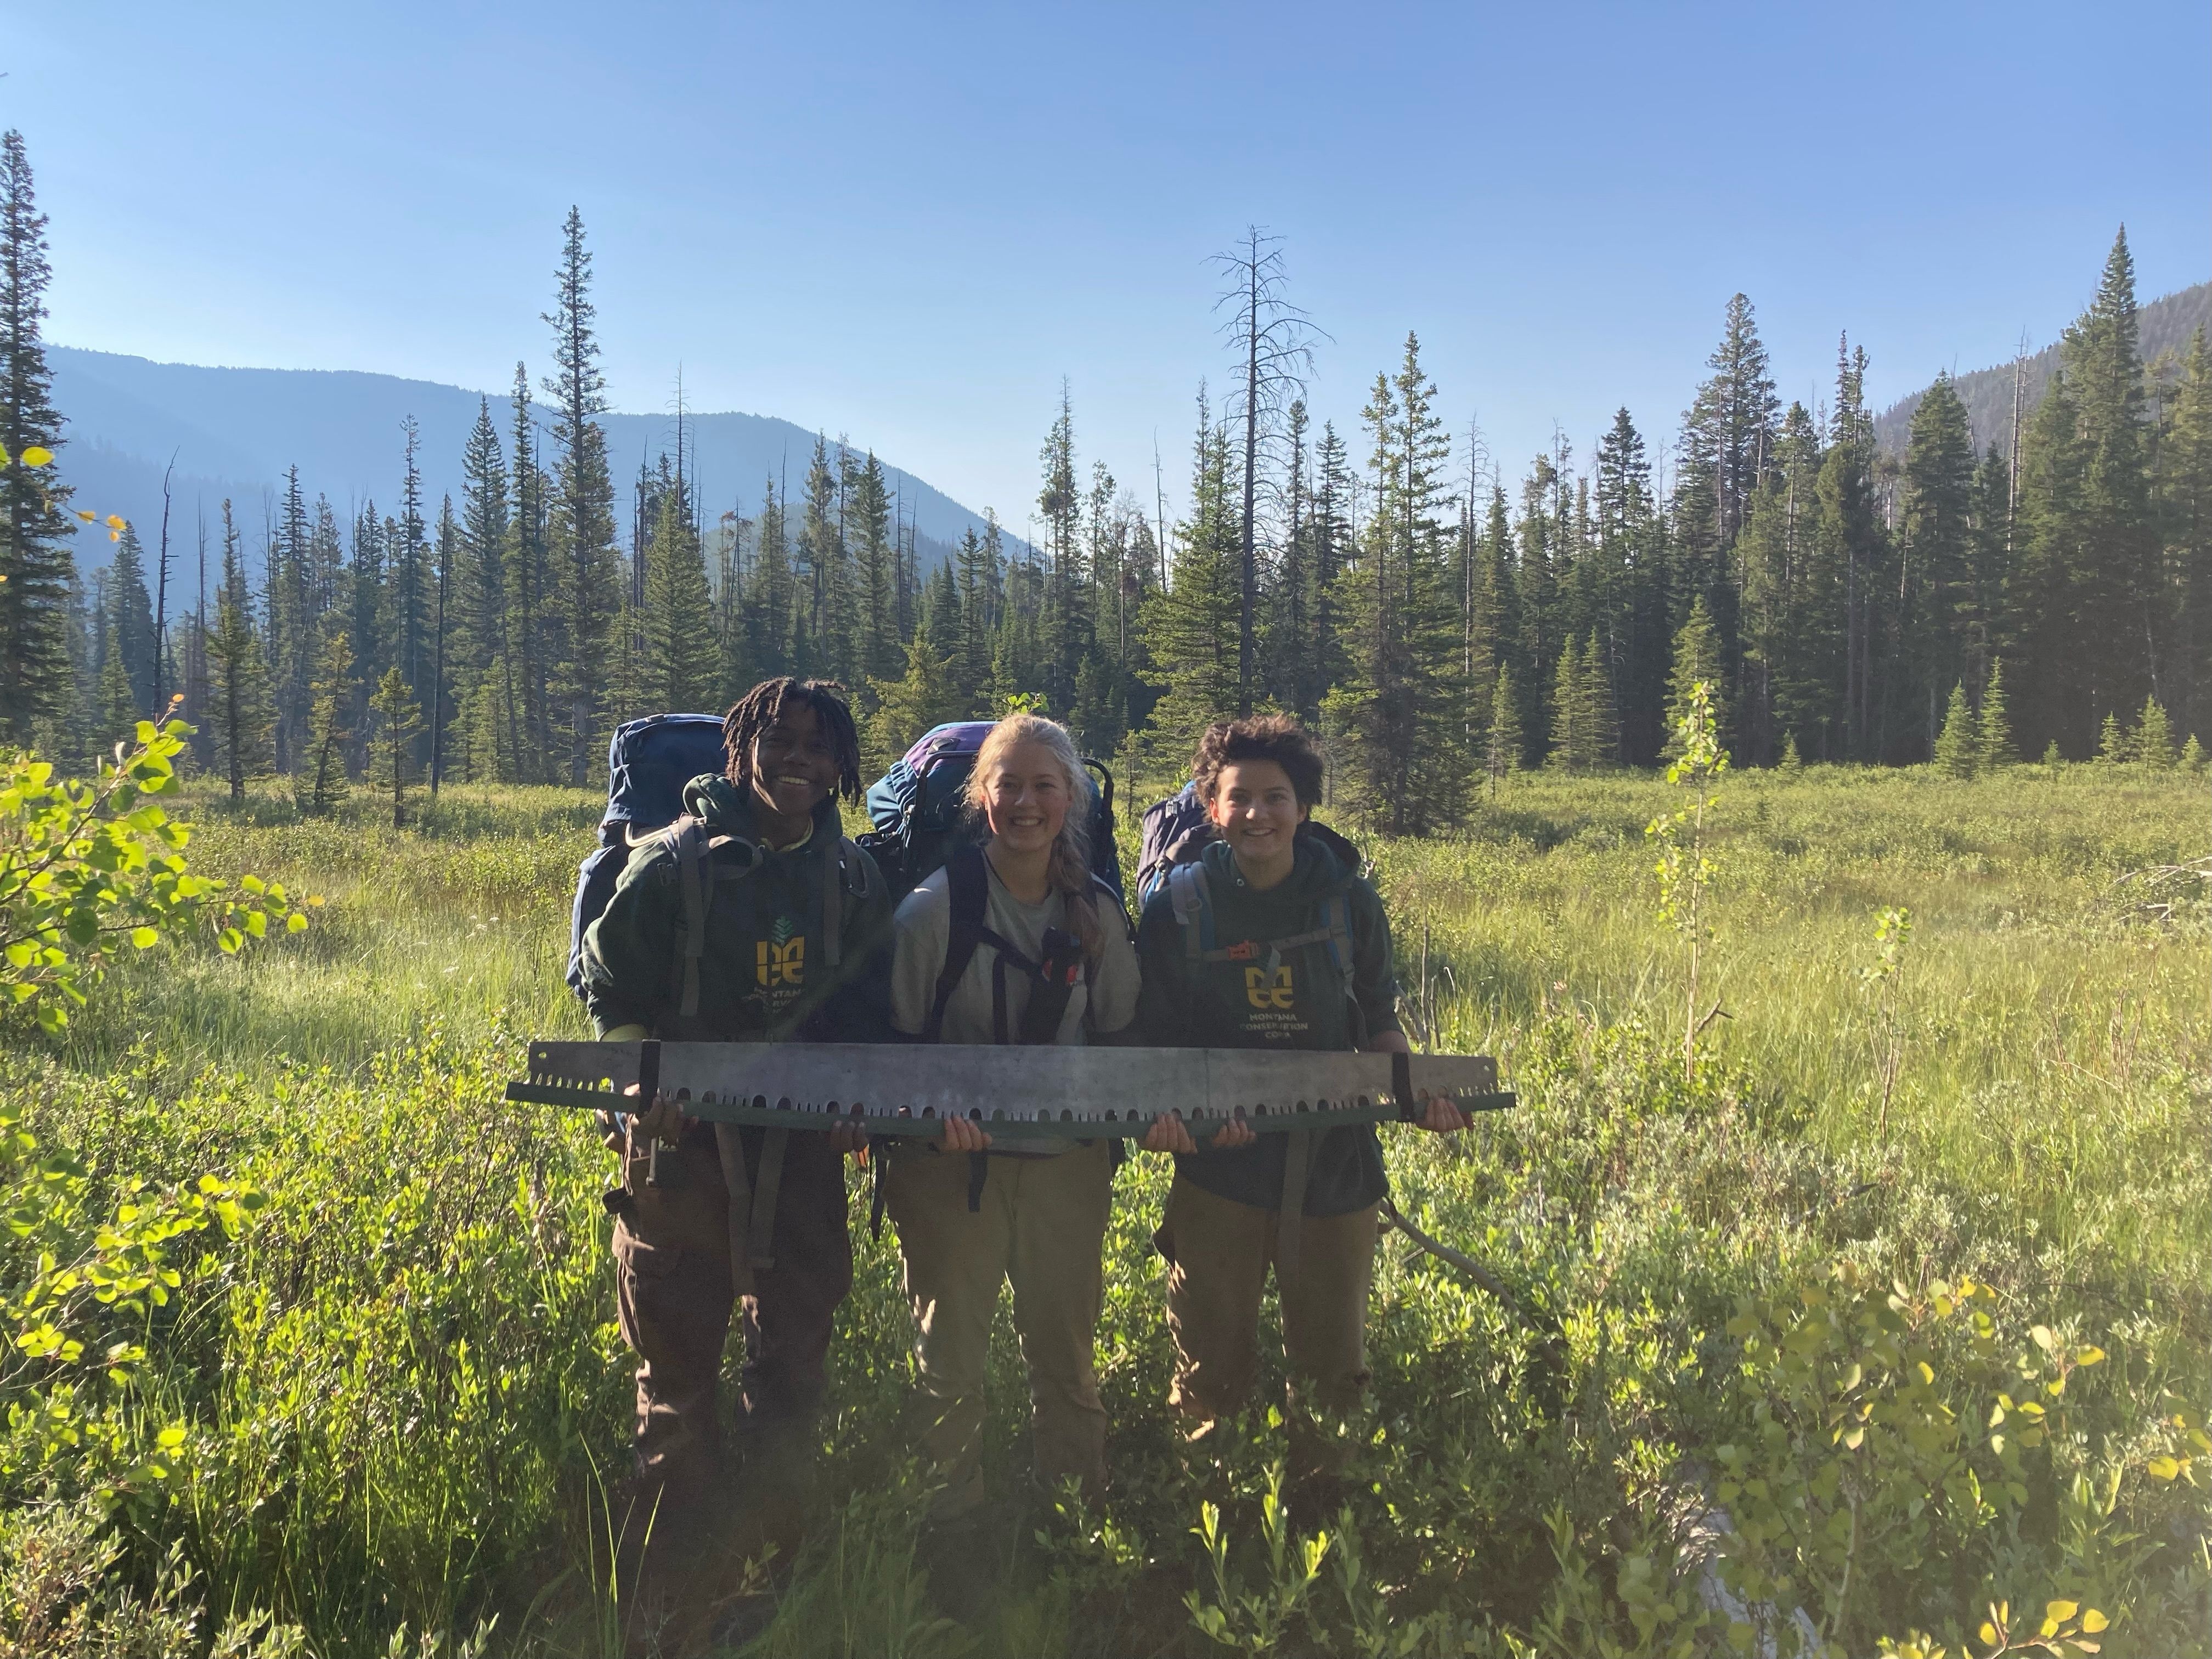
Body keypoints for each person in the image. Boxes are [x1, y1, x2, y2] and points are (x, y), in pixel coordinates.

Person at [577, 677, 890, 1576]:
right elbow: (610, 985)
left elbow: (861, 1017)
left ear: (840, 765)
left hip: (801, 1162)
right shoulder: (673, 864)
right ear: (742, 749)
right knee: (676, 1376)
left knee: (794, 1365)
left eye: (818, 747)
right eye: (780, 742)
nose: (797, 760)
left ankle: (778, 1557)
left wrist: (853, 1107)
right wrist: (643, 1087)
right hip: (681, 1160)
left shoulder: (851, 875)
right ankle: (670, 1574)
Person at [1134, 715, 1465, 1485]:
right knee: (1209, 1369)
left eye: (1275, 797)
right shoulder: (1177, 909)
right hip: (1220, 1174)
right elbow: (1152, 1042)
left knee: (1334, 1371)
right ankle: (1215, 1522)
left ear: (1304, 807)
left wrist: (1416, 1096)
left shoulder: (1350, 902)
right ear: (1211, 809)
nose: (1258, 814)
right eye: (1238, 797)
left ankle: (1325, 1524)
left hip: (1336, 1169)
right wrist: (1175, 1121)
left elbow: (1380, 1023)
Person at [882, 713, 1141, 1582]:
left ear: (1071, 800)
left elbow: (1120, 1041)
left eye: (1044, 786)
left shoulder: (1096, 912)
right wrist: (934, 1121)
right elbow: (896, 1050)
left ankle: (1074, 1535)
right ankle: (952, 1542)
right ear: (979, 797)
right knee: (950, 1364)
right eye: (1009, 785)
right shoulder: (932, 912)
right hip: (949, 1172)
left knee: (1066, 1362)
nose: (1026, 803)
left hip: (1069, 1168)